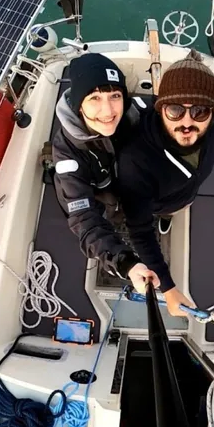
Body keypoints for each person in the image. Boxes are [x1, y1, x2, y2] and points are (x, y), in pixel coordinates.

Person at [117, 50, 214, 316]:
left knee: (177, 208)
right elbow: (139, 230)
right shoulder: (136, 159)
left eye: (199, 111)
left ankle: (168, 215)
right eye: (175, 110)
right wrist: (167, 287)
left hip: (185, 195)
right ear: (161, 109)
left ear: (212, 114)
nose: (187, 123)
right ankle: (164, 214)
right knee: (156, 214)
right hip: (155, 200)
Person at [52, 53, 159, 289]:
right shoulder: (67, 153)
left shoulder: (135, 114)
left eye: (115, 96)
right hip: (100, 201)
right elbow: (84, 220)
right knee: (106, 218)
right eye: (94, 98)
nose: (108, 110)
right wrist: (126, 264)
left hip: (127, 186)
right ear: (78, 105)